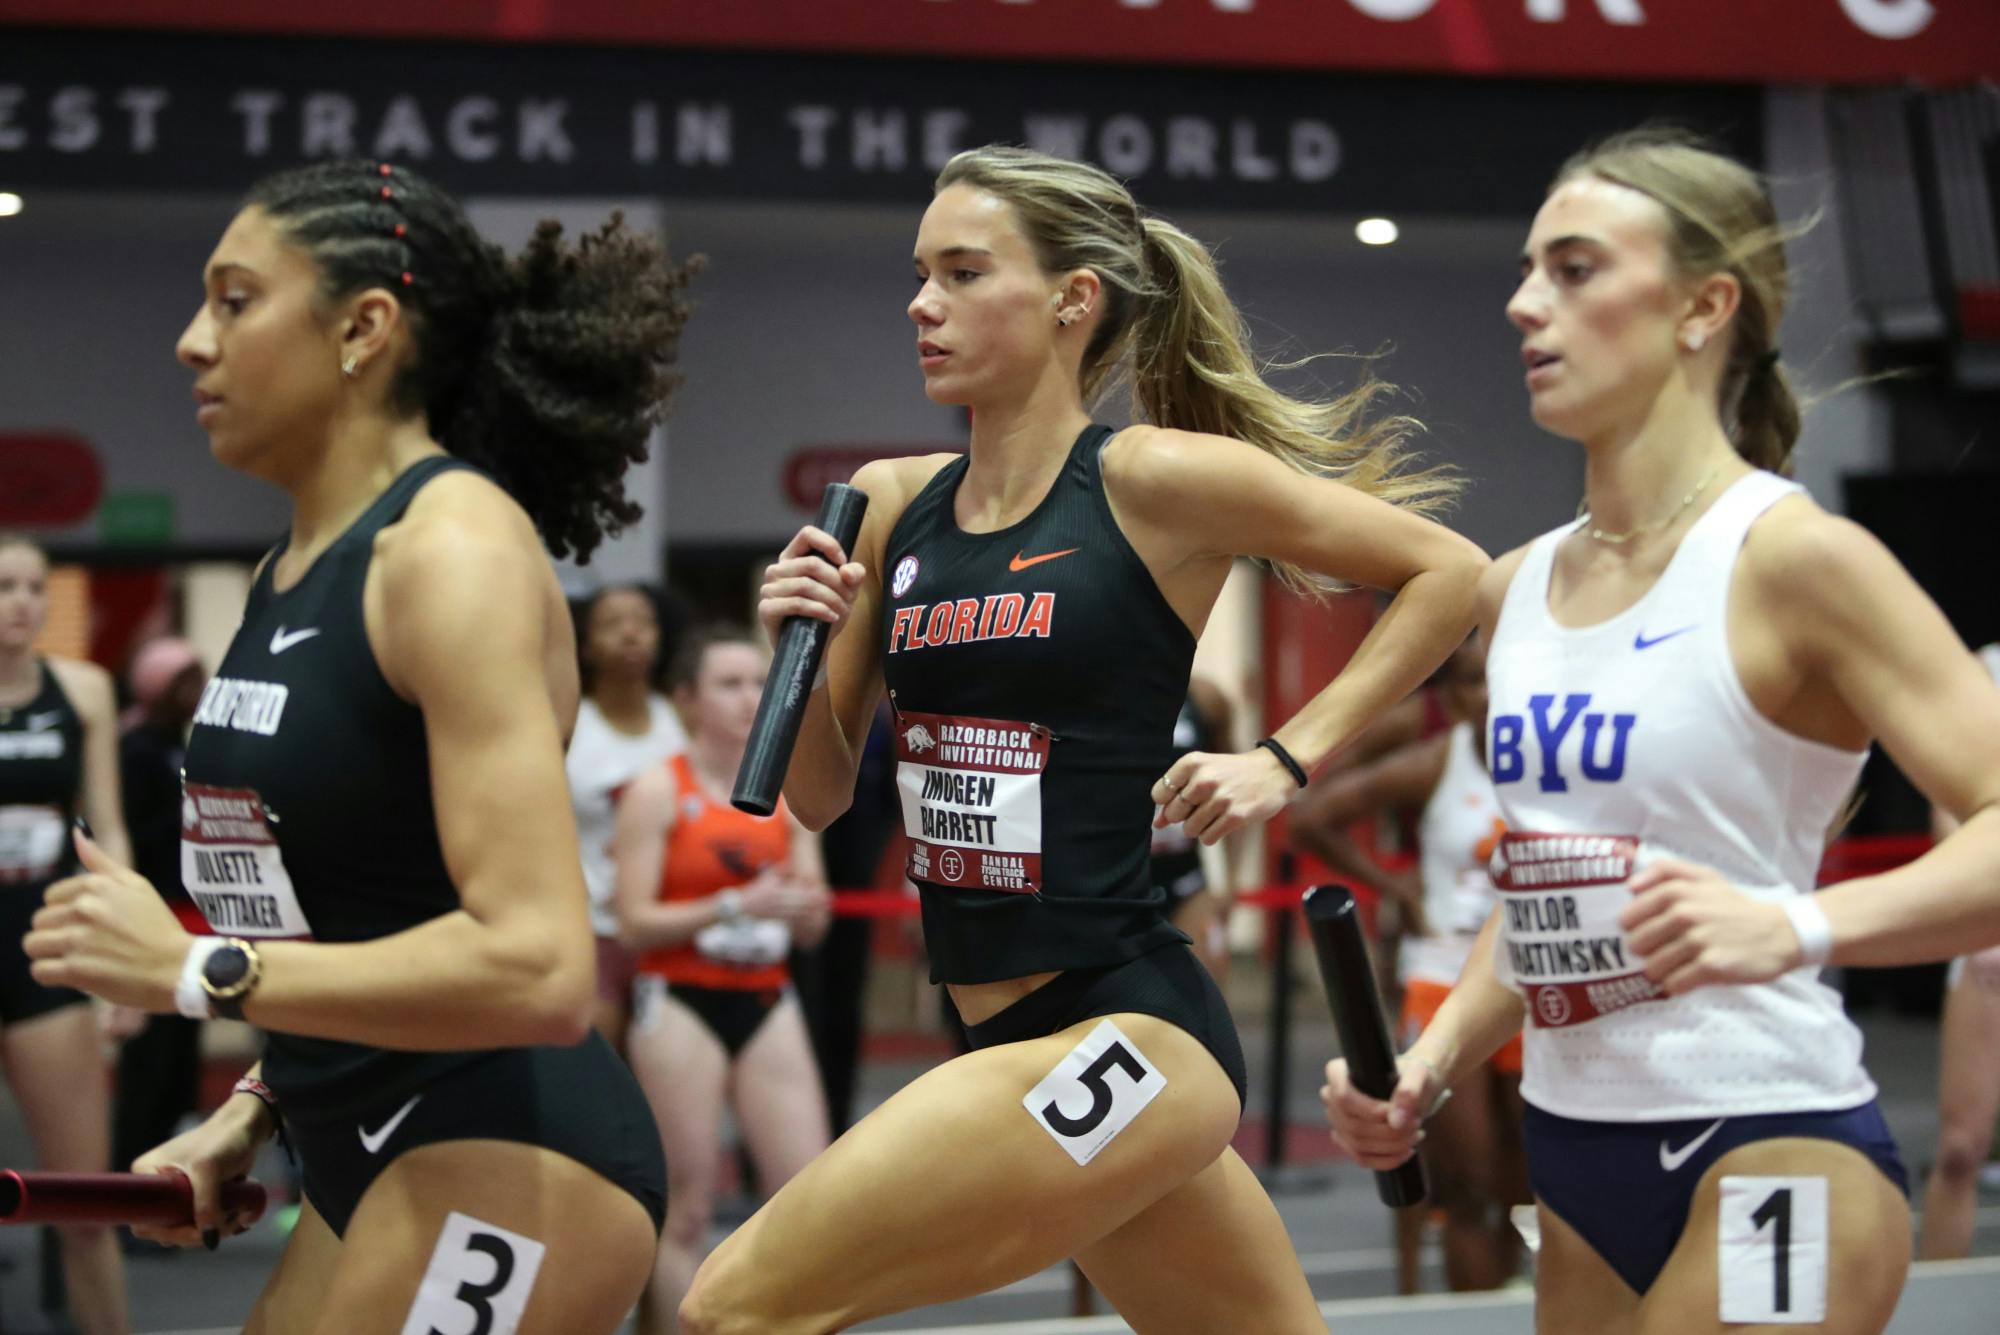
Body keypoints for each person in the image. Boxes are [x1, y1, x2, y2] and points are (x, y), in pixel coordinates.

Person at [677, 144, 1487, 1334]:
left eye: (962, 273)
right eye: (919, 275)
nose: (921, 304)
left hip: (1130, 1031)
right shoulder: (892, 504)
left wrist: (1282, 758)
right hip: (994, 1025)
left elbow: (1447, 571)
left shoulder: (1149, 480)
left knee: (730, 1308)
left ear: (1073, 298)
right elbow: (818, 798)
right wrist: (796, 640)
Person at [25, 158, 695, 1333]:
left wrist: (192, 971)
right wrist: (255, 1107)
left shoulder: (449, 552)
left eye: (235, 301)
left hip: (509, 1146)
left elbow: (539, 970)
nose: (191, 341)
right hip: (352, 1140)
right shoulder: (288, 573)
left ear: (361, 329)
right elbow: (362, 912)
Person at [1324, 128, 1960, 1334]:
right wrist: (1429, 1060)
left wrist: (1794, 924)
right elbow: (1545, 893)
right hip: (1575, 1160)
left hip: (1766, 1133)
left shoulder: (1793, 560)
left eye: (1572, 269)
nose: (1523, 303)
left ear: (1701, 308)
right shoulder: (1513, 588)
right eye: (1526, 271)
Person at [1290, 633, 1527, 1292]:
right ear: (1450, 697)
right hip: (1443, 974)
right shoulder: (1434, 762)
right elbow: (1311, 816)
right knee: (1469, 1181)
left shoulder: (1556, 764)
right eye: (1473, 682)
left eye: (1500, 678)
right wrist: (1395, 889)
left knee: (1527, 1181)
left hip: (1533, 976)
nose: (1490, 695)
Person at [613, 625, 832, 1333]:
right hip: (680, 998)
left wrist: (805, 910)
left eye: (758, 683)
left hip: (766, 993)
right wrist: (735, 904)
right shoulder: (657, 789)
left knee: (808, 1198)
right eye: (729, 684)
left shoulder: (790, 792)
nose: (748, 699)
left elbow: (815, 919)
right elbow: (633, 922)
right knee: (687, 1209)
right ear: (687, 700)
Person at [0, 533, 134, 1333]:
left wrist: (125, 962)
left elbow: (107, 828)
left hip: (44, 953)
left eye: (34, 587)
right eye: (4, 586)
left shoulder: (82, 689)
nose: (21, 603)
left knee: (87, 1203)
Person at [569, 583, 690, 1054]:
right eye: (612, 624)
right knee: (595, 1072)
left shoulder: (681, 723)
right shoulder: (568, 724)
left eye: (642, 622)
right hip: (589, 928)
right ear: (585, 644)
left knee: (666, 1079)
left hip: (670, 930)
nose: (630, 634)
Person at [111, 637, 210, 1182]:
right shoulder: (137, 749)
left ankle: (172, 1172)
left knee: (178, 1063)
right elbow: (129, 833)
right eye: (185, 683)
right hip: (154, 917)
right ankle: (131, 1178)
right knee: (149, 1063)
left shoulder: (182, 746)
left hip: (192, 920)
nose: (195, 693)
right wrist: (186, 819)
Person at [1915, 643, 2000, 1260]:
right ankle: (1941, 1301)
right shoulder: (1982, 670)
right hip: (1988, 932)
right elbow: (1949, 809)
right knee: (1961, 1148)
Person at [1149, 678, 1236, 975]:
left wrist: (1231, 882)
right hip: (1114, 886)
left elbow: (1233, 789)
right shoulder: (1098, 687)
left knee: (1206, 988)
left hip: (1185, 882)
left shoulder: (1206, 699)